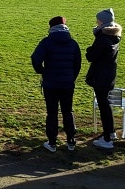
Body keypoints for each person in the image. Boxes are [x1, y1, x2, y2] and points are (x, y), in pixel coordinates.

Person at [31, 16, 82, 152]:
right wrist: (71, 77)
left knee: (52, 113)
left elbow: (35, 59)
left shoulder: (47, 42)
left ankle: (52, 142)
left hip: (50, 83)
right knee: (68, 111)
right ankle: (71, 140)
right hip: (67, 83)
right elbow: (77, 64)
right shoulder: (73, 43)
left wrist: (42, 71)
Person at [86, 8, 122, 149]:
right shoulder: (114, 36)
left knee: (103, 106)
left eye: (98, 19)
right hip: (109, 75)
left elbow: (91, 56)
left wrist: (89, 49)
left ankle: (107, 139)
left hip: (100, 76)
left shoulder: (102, 38)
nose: (96, 21)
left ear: (102, 21)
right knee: (106, 105)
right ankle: (111, 132)